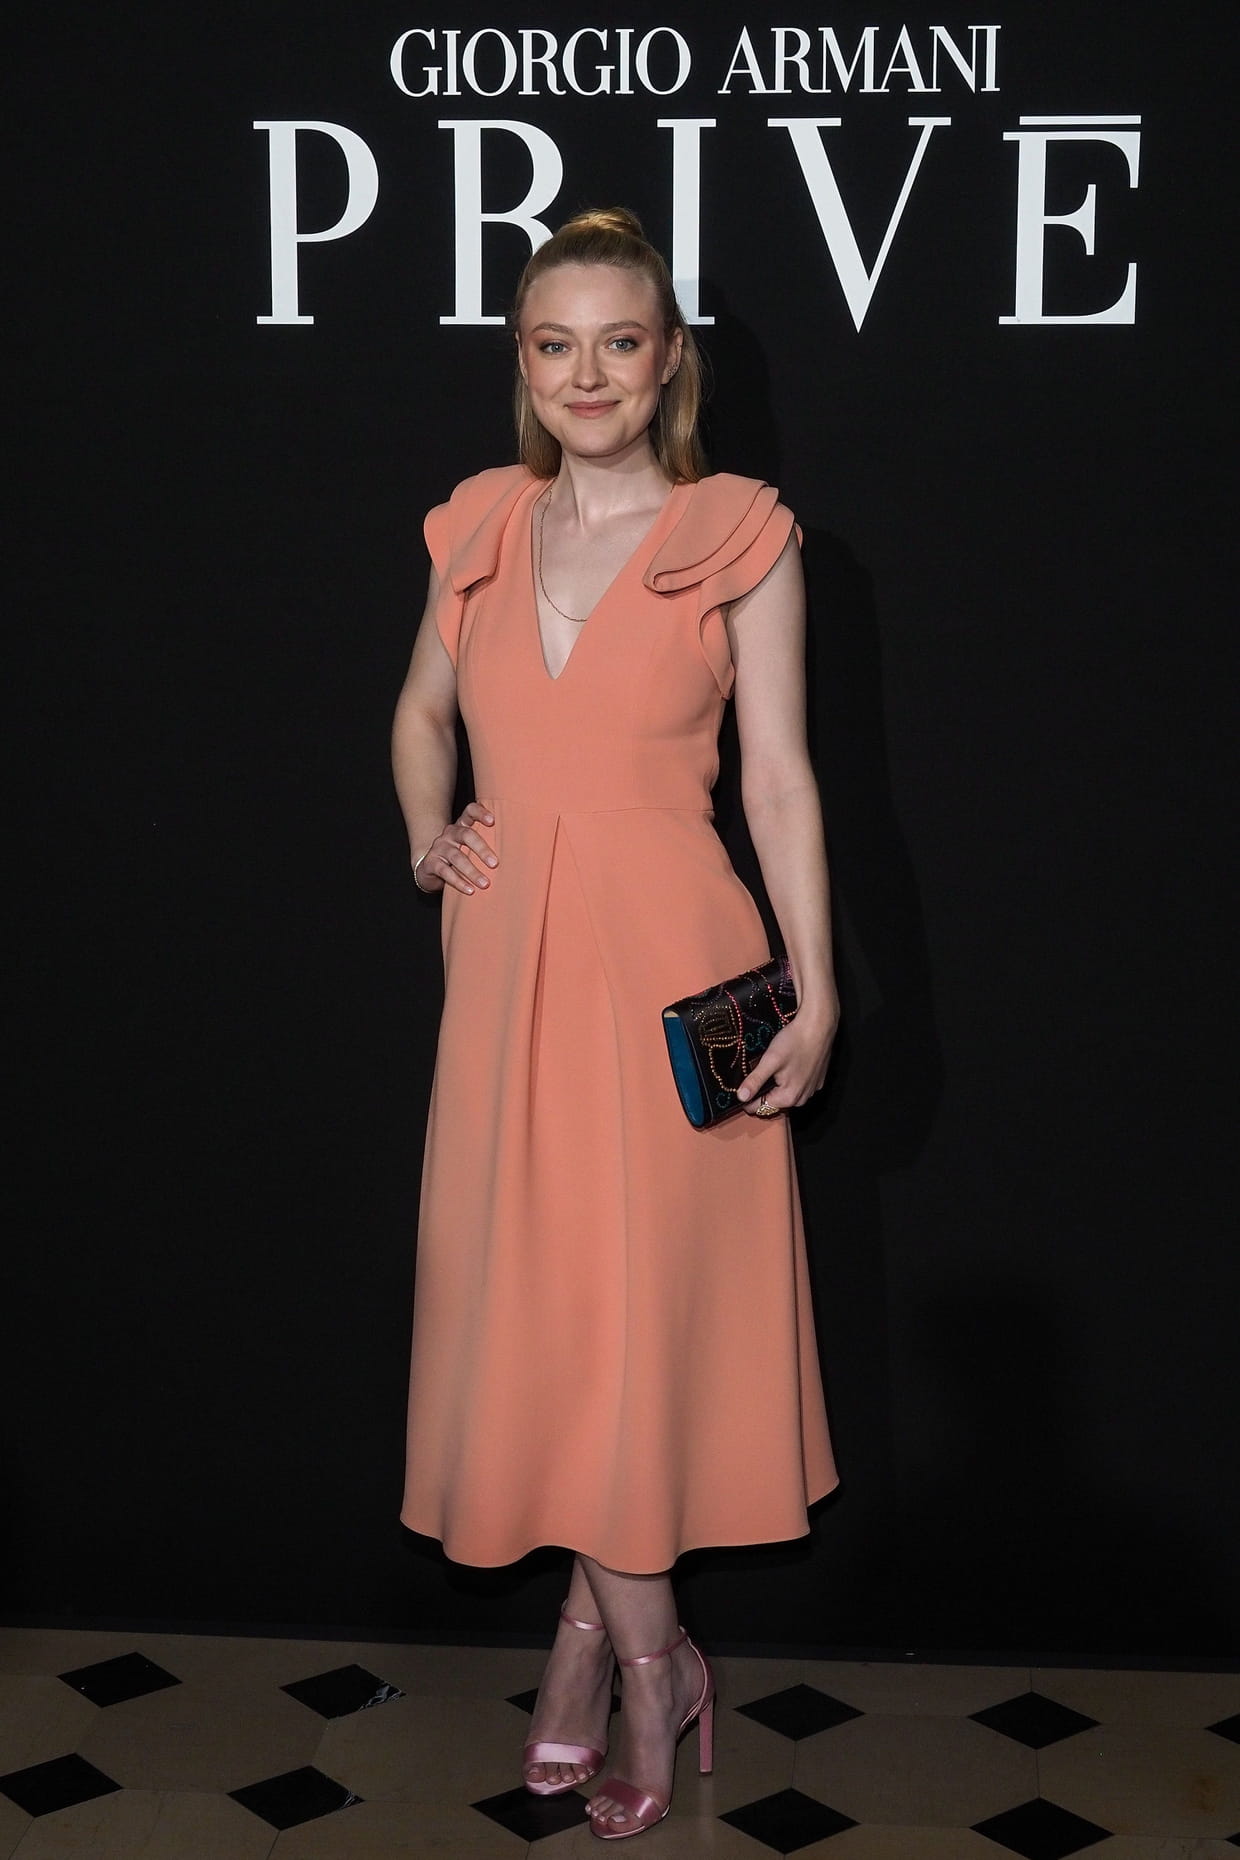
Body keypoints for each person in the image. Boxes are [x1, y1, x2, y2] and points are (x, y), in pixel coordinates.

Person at [391, 207, 840, 1840]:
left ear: (669, 364)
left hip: (674, 980)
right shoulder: (478, 526)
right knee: (553, 1326)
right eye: (554, 345)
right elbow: (420, 712)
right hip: (507, 975)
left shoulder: (742, 535)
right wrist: (431, 833)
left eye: (620, 343)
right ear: (523, 364)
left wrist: (819, 985)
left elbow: (780, 782)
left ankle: (624, 1664)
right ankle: (638, 1651)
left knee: (635, 1336)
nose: (587, 375)